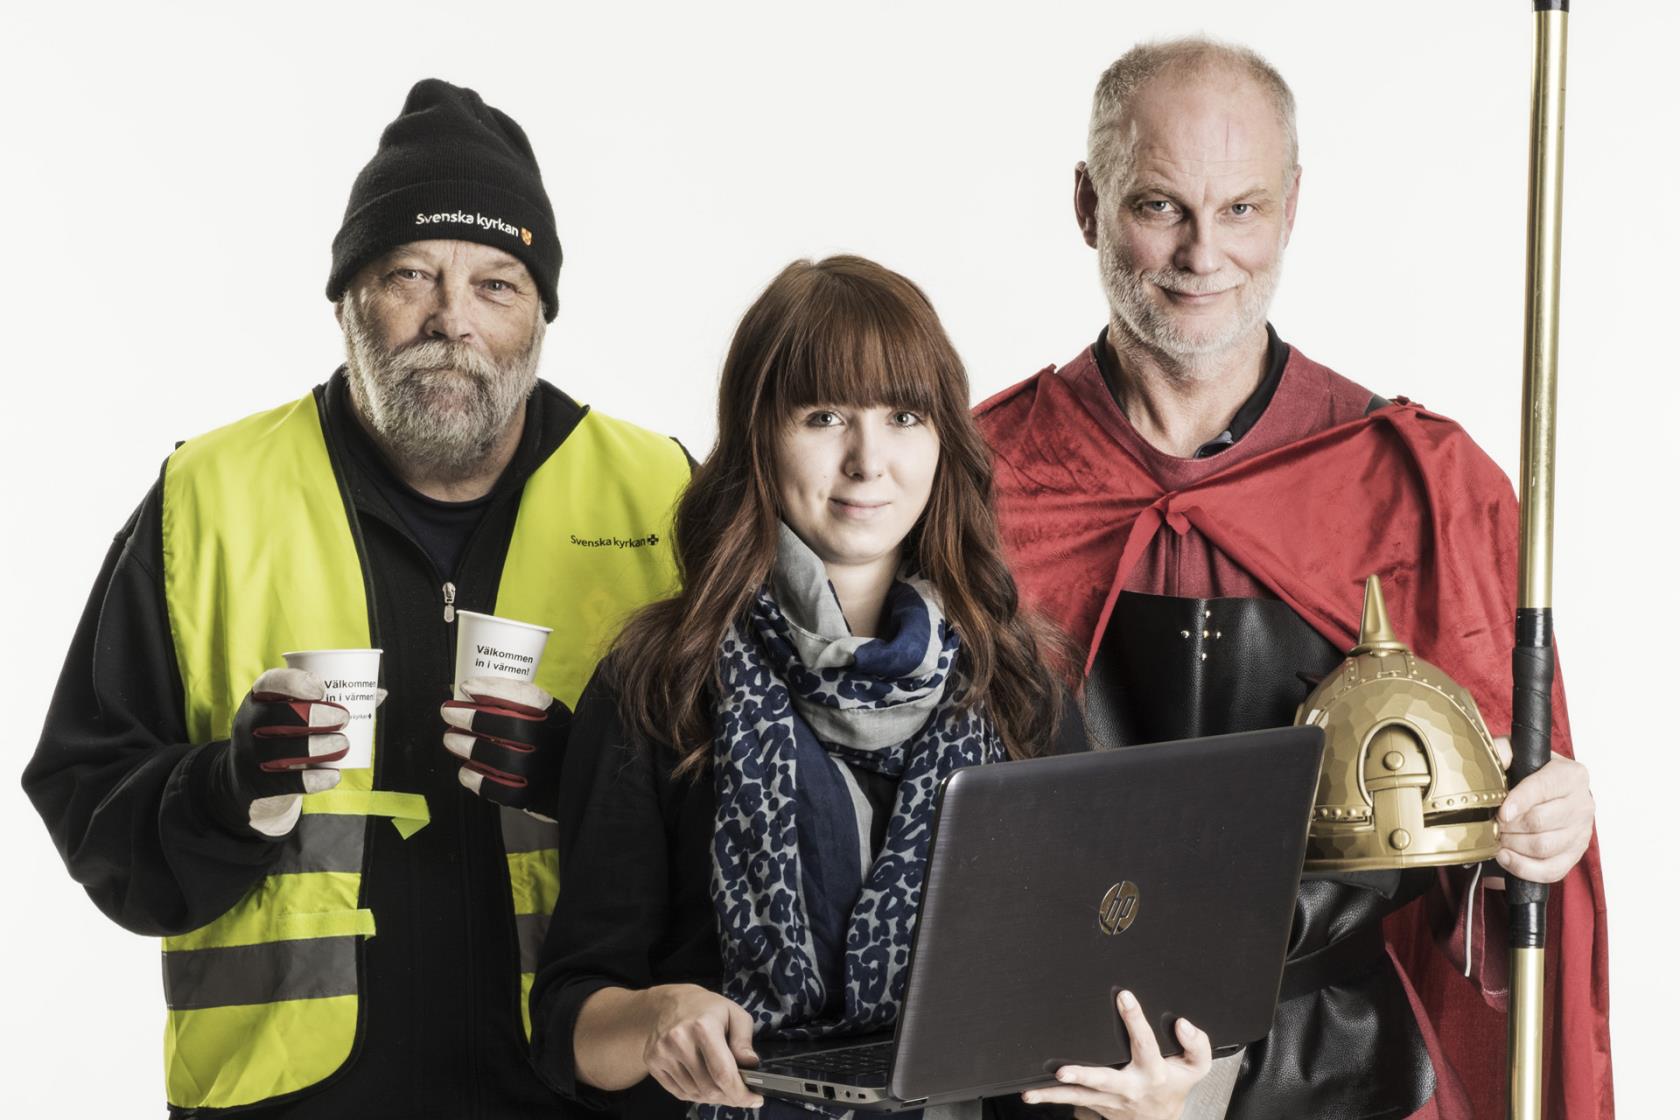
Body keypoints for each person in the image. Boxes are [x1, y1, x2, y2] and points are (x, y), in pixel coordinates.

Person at [21, 79, 690, 1117]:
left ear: (542, 315)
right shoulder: (209, 496)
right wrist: (228, 788)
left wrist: (589, 776)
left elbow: (756, 812)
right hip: (290, 1100)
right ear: (346, 299)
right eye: (409, 274)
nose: (449, 320)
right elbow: (84, 797)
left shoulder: (662, 493)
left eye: (496, 283)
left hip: (583, 1094)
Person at [974, 37, 1612, 1120]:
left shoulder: (1419, 485)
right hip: (1055, 1071)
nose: (1200, 253)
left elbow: (1487, 839)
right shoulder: (974, 480)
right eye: (1159, 206)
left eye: (1242, 209)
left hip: (1342, 1074)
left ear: (1294, 207)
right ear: (1087, 204)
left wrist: (1539, 824)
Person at [526, 255, 1213, 1120]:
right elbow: (568, 1022)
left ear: (942, 439)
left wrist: (1140, 1099)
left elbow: (1069, 1005)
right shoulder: (662, 679)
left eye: (904, 415)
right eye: (823, 416)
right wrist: (657, 1015)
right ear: (758, 435)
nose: (868, 460)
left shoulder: (1018, 687)